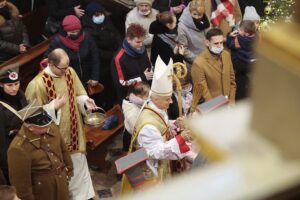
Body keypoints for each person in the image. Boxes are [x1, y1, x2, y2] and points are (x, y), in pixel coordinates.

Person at [25, 48, 97, 199]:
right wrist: (53, 107)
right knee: (64, 175)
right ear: (51, 64)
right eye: (62, 68)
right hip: (54, 140)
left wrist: (85, 101)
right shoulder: (37, 84)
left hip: (74, 132)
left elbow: (78, 94)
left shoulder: (70, 72)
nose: (66, 71)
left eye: (67, 66)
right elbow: (31, 116)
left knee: (80, 168)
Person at [122, 56, 196, 192]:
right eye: (168, 99)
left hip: (161, 160)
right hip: (152, 169)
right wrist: (181, 139)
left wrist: (175, 124)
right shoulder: (148, 124)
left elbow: (162, 127)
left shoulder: (157, 108)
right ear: (156, 98)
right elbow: (156, 151)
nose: (171, 102)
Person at [8, 100, 73, 200]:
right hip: (43, 193)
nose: (47, 127)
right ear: (30, 127)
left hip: (62, 184)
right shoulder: (18, 149)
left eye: (47, 122)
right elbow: (21, 185)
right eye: (42, 125)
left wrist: (69, 171)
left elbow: (63, 150)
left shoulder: (52, 127)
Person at [82, 1, 122, 110]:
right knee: (106, 89)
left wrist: (119, 50)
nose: (100, 16)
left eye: (101, 13)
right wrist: (113, 56)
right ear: (90, 16)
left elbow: (117, 35)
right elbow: (96, 51)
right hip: (102, 65)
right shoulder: (88, 31)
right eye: (96, 15)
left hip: (114, 57)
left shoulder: (107, 21)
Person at [44, 15, 100, 90]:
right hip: (69, 82)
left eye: (77, 31)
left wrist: (95, 76)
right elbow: (47, 60)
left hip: (88, 79)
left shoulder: (87, 37)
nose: (76, 33)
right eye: (72, 32)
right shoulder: (57, 42)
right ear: (66, 31)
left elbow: (95, 57)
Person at [191, 28, 236, 104]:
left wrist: (232, 101)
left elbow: (232, 80)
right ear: (207, 43)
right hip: (213, 106)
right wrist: (214, 107)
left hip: (229, 103)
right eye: (216, 43)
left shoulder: (226, 55)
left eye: (221, 43)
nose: (219, 46)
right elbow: (203, 91)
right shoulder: (198, 63)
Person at [111, 23, 153, 104]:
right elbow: (121, 83)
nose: (141, 45)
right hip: (130, 99)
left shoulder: (142, 48)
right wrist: (142, 77)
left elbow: (148, 64)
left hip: (146, 93)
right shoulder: (119, 59)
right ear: (129, 39)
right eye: (138, 42)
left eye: (142, 41)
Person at [0, 64, 27, 184]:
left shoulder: (20, 95)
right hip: (10, 151)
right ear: (1, 84)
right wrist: (7, 167)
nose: (14, 88)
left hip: (25, 145)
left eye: (16, 84)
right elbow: (1, 142)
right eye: (9, 85)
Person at [227, 20, 257, 100]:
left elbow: (230, 44)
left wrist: (229, 35)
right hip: (251, 62)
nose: (238, 31)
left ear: (246, 33)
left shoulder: (239, 39)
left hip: (241, 62)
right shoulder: (256, 38)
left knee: (240, 85)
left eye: (240, 30)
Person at [177, 0, 210, 65]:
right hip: (194, 62)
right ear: (189, 11)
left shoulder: (205, 18)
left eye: (200, 15)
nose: (197, 17)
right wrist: (198, 60)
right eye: (194, 14)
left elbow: (209, 35)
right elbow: (183, 49)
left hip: (208, 58)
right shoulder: (182, 26)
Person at [122, 82, 150, 152]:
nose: (149, 97)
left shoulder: (138, 102)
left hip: (135, 132)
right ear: (138, 96)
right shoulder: (132, 111)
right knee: (132, 156)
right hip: (131, 136)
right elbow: (136, 129)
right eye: (147, 95)